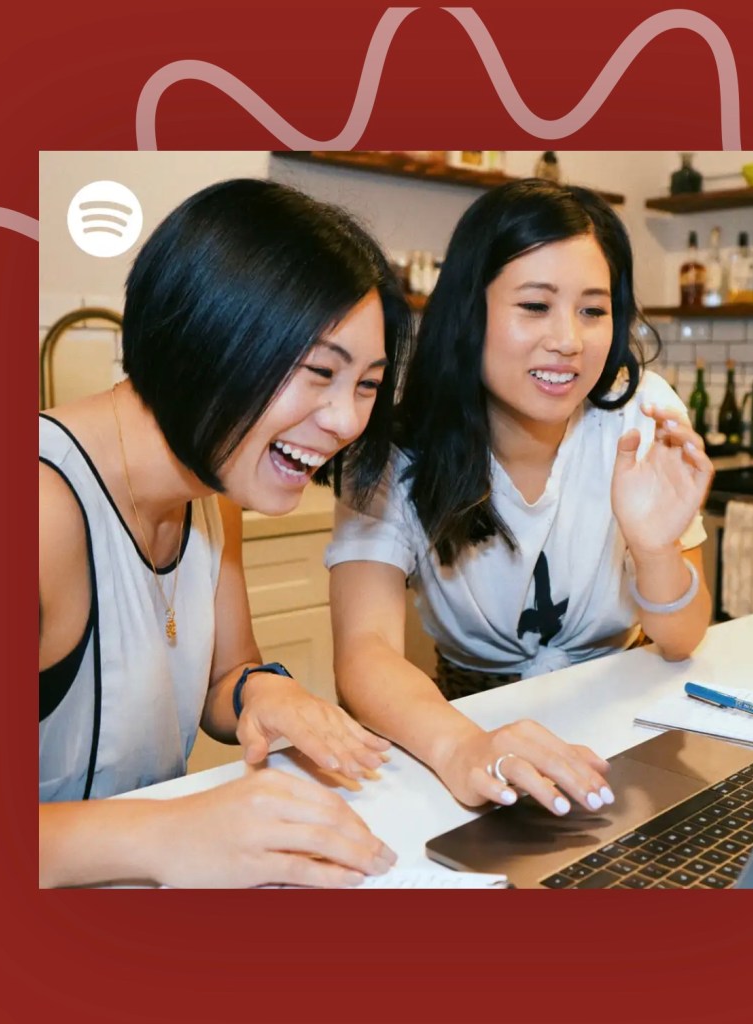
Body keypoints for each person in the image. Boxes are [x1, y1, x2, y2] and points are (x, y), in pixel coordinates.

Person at [39, 178, 413, 888]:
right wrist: (175, 831)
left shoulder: (216, 485)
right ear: (207, 338)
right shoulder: (40, 510)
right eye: (319, 373)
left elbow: (222, 674)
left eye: (366, 384)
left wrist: (265, 694)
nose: (345, 420)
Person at [327, 179, 714, 820]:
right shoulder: (396, 451)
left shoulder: (641, 416)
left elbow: (683, 638)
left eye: (593, 310)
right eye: (535, 306)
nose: (568, 339)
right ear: (469, 312)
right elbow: (362, 654)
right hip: (465, 727)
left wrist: (653, 548)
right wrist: (462, 747)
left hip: (621, 717)